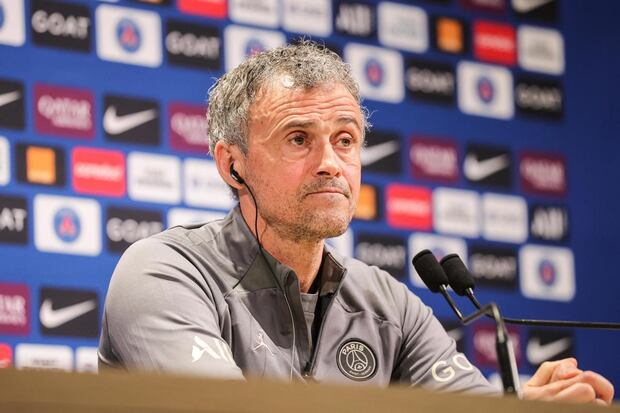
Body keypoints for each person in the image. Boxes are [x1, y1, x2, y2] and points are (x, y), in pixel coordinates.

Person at [98, 41, 614, 404]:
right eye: (298, 139)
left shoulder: (391, 306)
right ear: (233, 165)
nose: (330, 163)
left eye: (345, 140)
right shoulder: (164, 273)